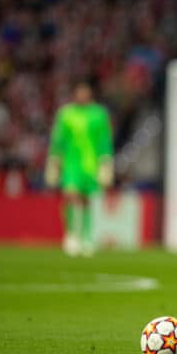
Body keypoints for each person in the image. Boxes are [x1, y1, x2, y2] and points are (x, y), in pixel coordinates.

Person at [44, 80, 114, 257]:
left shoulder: (98, 114)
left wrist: (105, 161)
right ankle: (71, 235)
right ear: (75, 94)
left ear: (90, 94)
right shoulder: (66, 114)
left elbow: (104, 139)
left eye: (85, 92)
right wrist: (54, 158)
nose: (82, 95)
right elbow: (59, 138)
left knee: (86, 201)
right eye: (79, 92)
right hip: (71, 163)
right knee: (70, 195)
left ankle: (86, 237)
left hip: (90, 164)